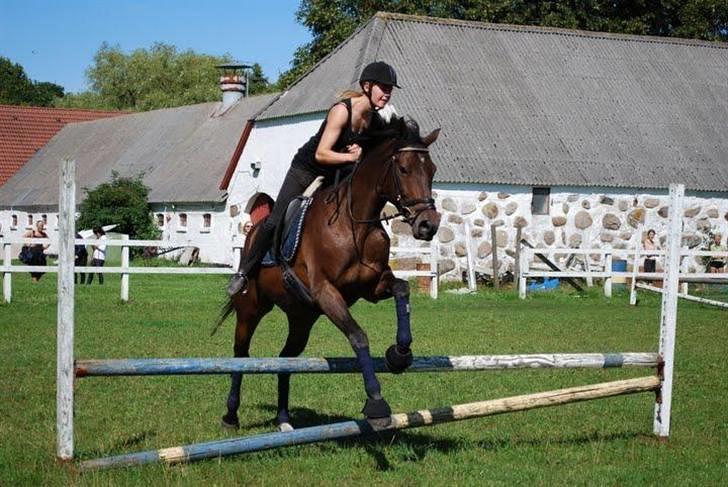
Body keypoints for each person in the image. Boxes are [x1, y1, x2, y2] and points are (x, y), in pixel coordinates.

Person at [228, 61, 400, 296]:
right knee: (275, 219)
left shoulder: (375, 121)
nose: (387, 93)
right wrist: (352, 159)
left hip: (336, 174)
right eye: (384, 87)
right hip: (306, 170)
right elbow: (322, 153)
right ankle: (244, 273)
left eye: (391, 89)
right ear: (367, 86)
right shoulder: (342, 111)